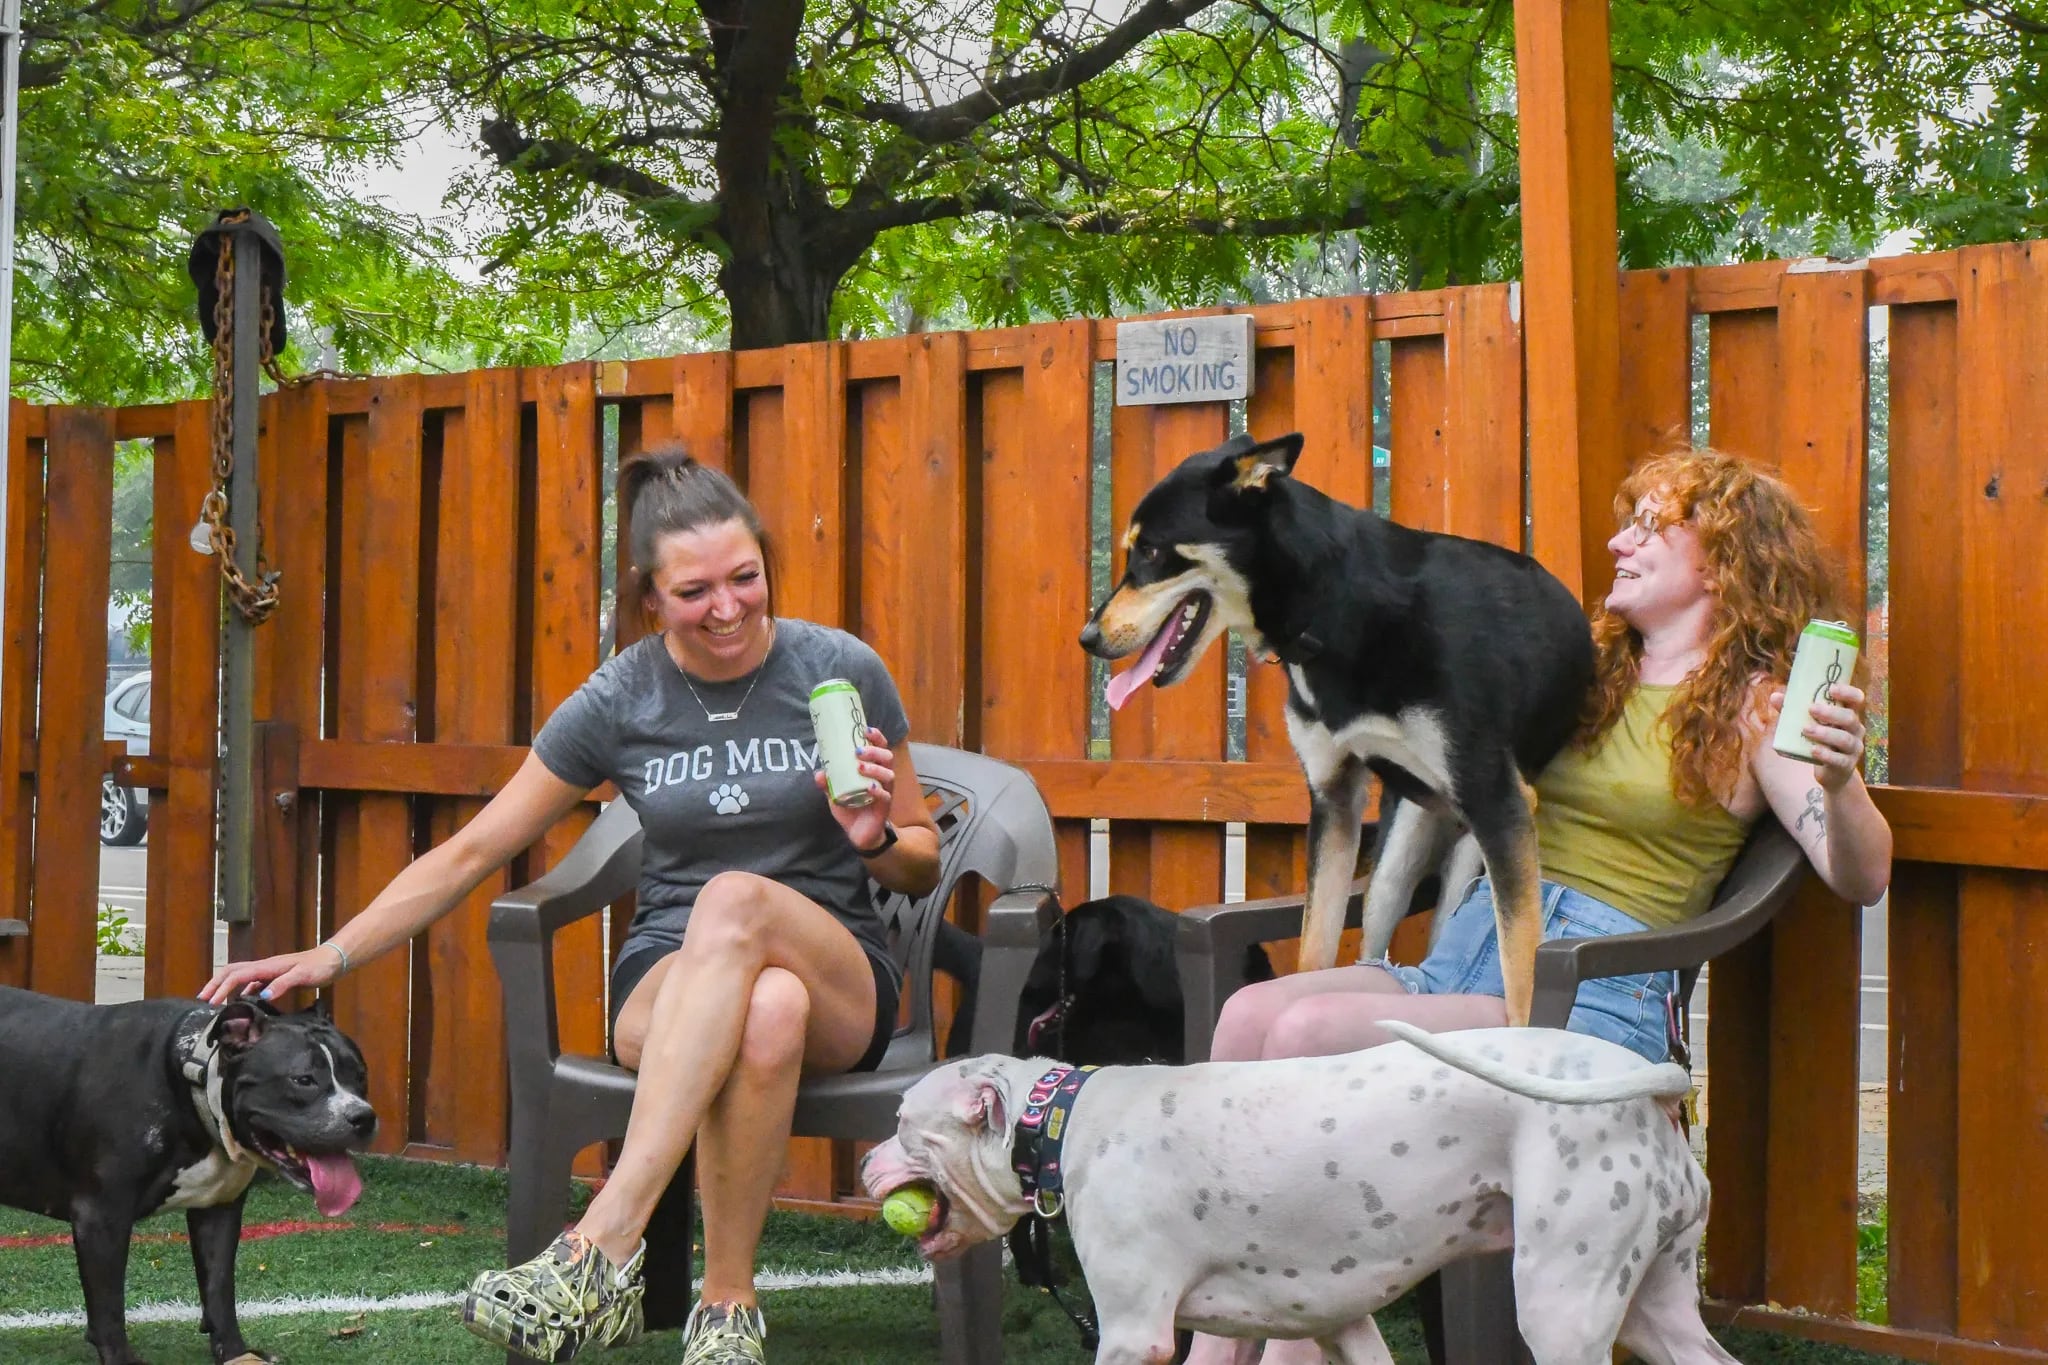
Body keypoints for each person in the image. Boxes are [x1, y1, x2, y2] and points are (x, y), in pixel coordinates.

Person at [201, 443, 941, 1365]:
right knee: (764, 1005)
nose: (727, 608)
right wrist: (330, 953)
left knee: (745, 910)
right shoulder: (620, 697)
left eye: (745, 578)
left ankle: (599, 1245)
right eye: (694, 591)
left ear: (766, 563)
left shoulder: (838, 668)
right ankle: (727, 1311)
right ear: (649, 600)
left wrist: (871, 835)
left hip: (840, 975)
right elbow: (477, 848)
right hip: (669, 981)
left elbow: (919, 857)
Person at [1181, 447, 1894, 1365]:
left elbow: (1858, 873)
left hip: (1586, 996)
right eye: (1624, 520)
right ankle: (1248, 1346)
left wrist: (1841, 783)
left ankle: (1259, 1348)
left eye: (1649, 524)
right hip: (1471, 956)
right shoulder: (1583, 674)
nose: (1617, 540)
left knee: (1307, 1033)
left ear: (1722, 555)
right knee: (1247, 1018)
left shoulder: (1754, 708)